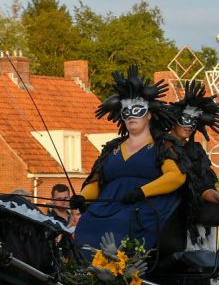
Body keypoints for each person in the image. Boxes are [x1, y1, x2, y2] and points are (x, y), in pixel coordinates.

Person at [73, 66, 187, 251]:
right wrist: (82, 197)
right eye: (127, 111)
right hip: (109, 206)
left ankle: (119, 271)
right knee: (85, 224)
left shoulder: (163, 144)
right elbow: (97, 182)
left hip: (145, 206)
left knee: (121, 226)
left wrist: (142, 192)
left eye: (138, 110)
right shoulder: (112, 149)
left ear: (149, 114)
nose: (132, 115)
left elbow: (176, 176)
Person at [164, 81, 219, 251]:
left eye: (193, 121)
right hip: (166, 210)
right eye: (185, 120)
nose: (189, 126)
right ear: (174, 119)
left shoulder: (195, 151)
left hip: (193, 212)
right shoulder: (159, 147)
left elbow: (203, 188)